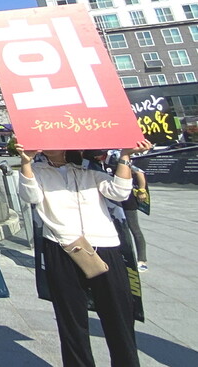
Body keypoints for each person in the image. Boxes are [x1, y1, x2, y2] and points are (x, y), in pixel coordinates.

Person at [17, 140, 153, 367]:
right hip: (62, 247)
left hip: (104, 245)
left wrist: (125, 155)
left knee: (119, 314)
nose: (50, 144)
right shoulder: (36, 170)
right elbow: (30, 197)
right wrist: (26, 162)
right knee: (71, 319)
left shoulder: (89, 170)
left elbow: (119, 192)